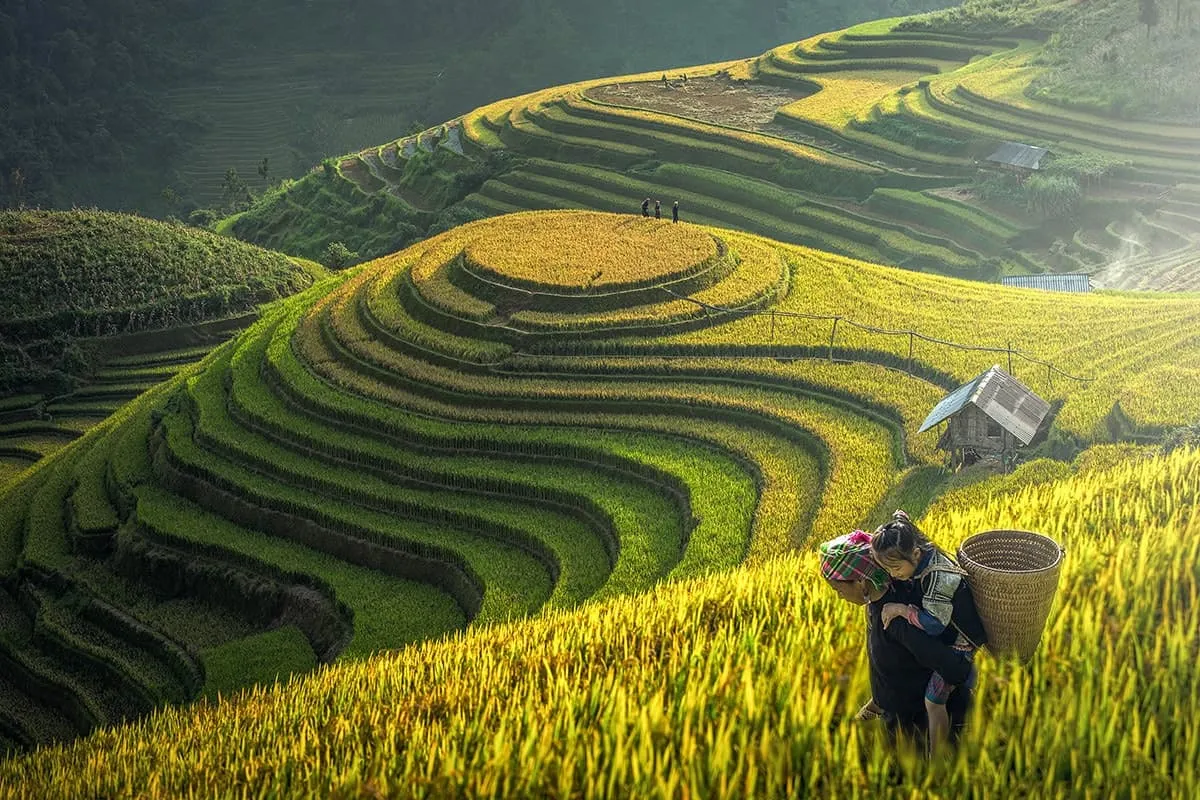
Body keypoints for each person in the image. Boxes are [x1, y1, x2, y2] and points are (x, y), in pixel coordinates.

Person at [819, 530, 975, 750]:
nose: (838, 596)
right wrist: (875, 704)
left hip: (913, 733)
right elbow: (890, 669)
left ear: (862, 582)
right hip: (893, 718)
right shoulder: (875, 606)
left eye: (838, 589)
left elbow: (951, 666)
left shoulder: (895, 620)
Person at [870, 511, 987, 755]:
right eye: (887, 569)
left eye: (896, 567)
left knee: (933, 702)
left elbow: (935, 624)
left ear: (915, 554)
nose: (893, 575)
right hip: (947, 633)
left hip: (960, 644)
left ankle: (937, 757)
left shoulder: (938, 577)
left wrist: (902, 609)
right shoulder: (919, 557)